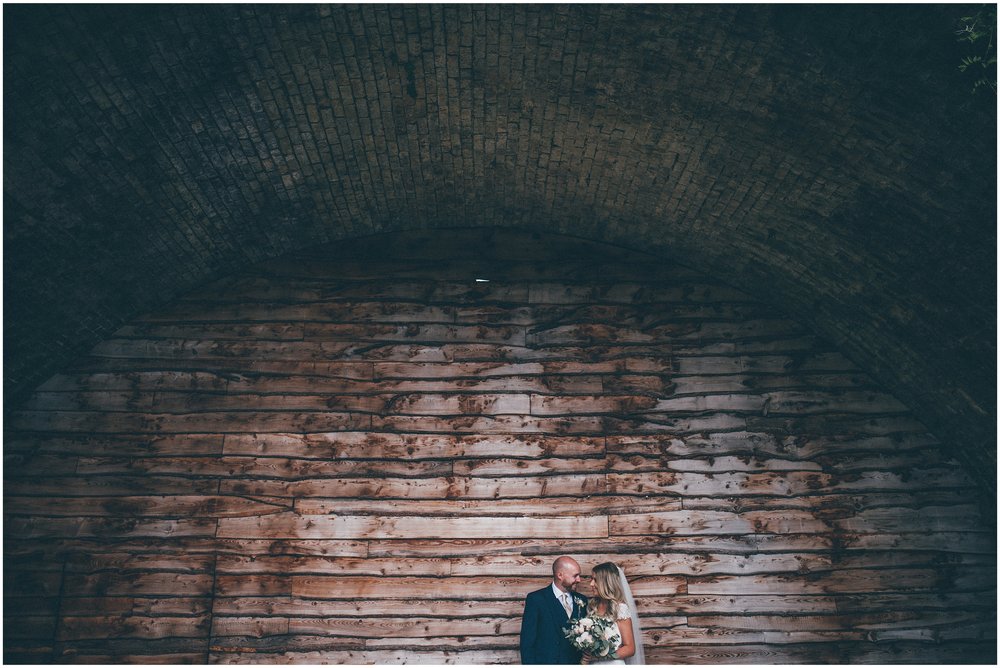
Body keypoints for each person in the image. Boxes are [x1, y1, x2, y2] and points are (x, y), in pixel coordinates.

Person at [520, 556, 589, 664]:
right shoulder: (536, 599)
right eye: (575, 575)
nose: (579, 580)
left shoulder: (582, 600)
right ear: (560, 575)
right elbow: (527, 642)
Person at [580, 562, 645, 666]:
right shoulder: (592, 607)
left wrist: (599, 656)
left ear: (605, 582)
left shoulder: (620, 609)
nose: (591, 584)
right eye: (591, 579)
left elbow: (630, 649)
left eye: (595, 580)